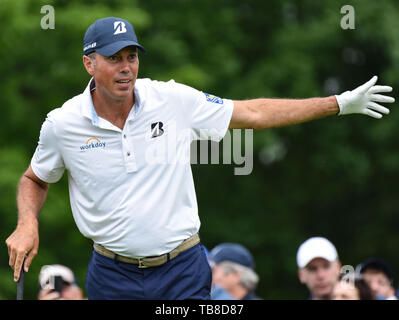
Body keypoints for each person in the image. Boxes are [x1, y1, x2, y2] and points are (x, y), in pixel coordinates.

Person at [5, 16, 395, 299]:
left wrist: (337, 103)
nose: (126, 68)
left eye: (132, 57)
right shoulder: (63, 123)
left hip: (183, 270)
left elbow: (253, 113)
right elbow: (35, 179)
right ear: (89, 63)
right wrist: (27, 223)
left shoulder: (171, 99)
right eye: (114, 58)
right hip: (112, 275)